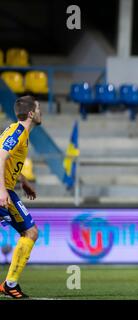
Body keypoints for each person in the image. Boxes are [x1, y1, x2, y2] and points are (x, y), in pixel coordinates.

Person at [0, 95, 41, 299]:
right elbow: (1, 156)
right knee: (30, 232)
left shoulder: (17, 131)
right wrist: (2, 190)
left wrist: (22, 180)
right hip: (2, 189)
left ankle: (10, 284)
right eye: (39, 109)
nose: (41, 113)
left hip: (8, 188)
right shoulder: (18, 132)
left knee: (30, 232)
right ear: (31, 113)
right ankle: (10, 284)